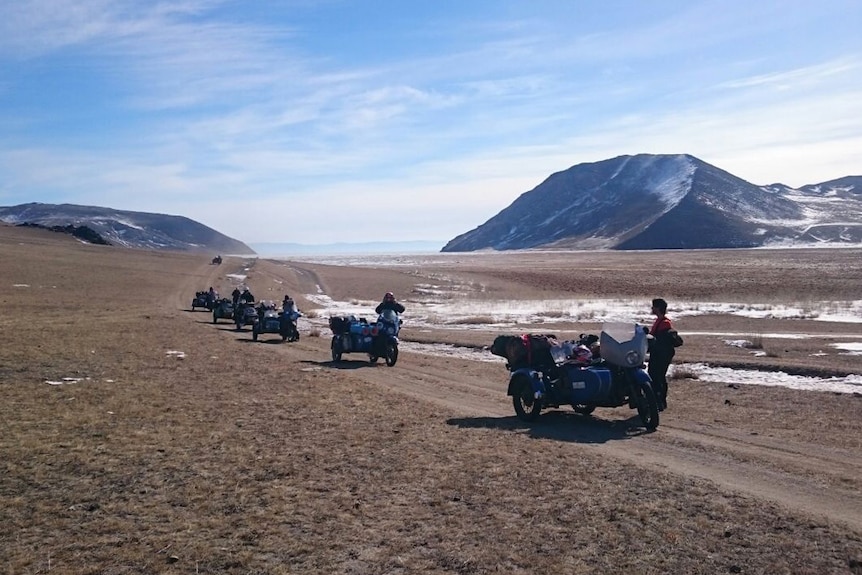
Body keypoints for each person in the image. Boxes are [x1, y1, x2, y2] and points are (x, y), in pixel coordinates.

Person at [648, 297, 681, 411]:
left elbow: (658, 339)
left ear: (658, 308)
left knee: (658, 376)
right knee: (656, 376)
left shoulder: (664, 323)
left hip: (661, 354)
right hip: (659, 353)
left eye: (653, 306)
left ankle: (660, 401)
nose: (652, 308)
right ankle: (657, 401)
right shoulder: (660, 321)